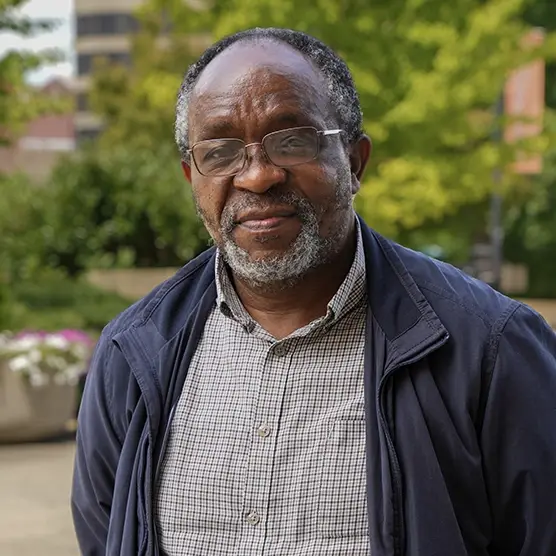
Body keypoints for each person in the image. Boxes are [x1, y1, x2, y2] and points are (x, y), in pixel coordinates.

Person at [71, 27, 556, 556]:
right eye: (220, 150)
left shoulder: (489, 349)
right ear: (193, 175)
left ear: (354, 162)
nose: (257, 176)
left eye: (293, 140)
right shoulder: (130, 354)